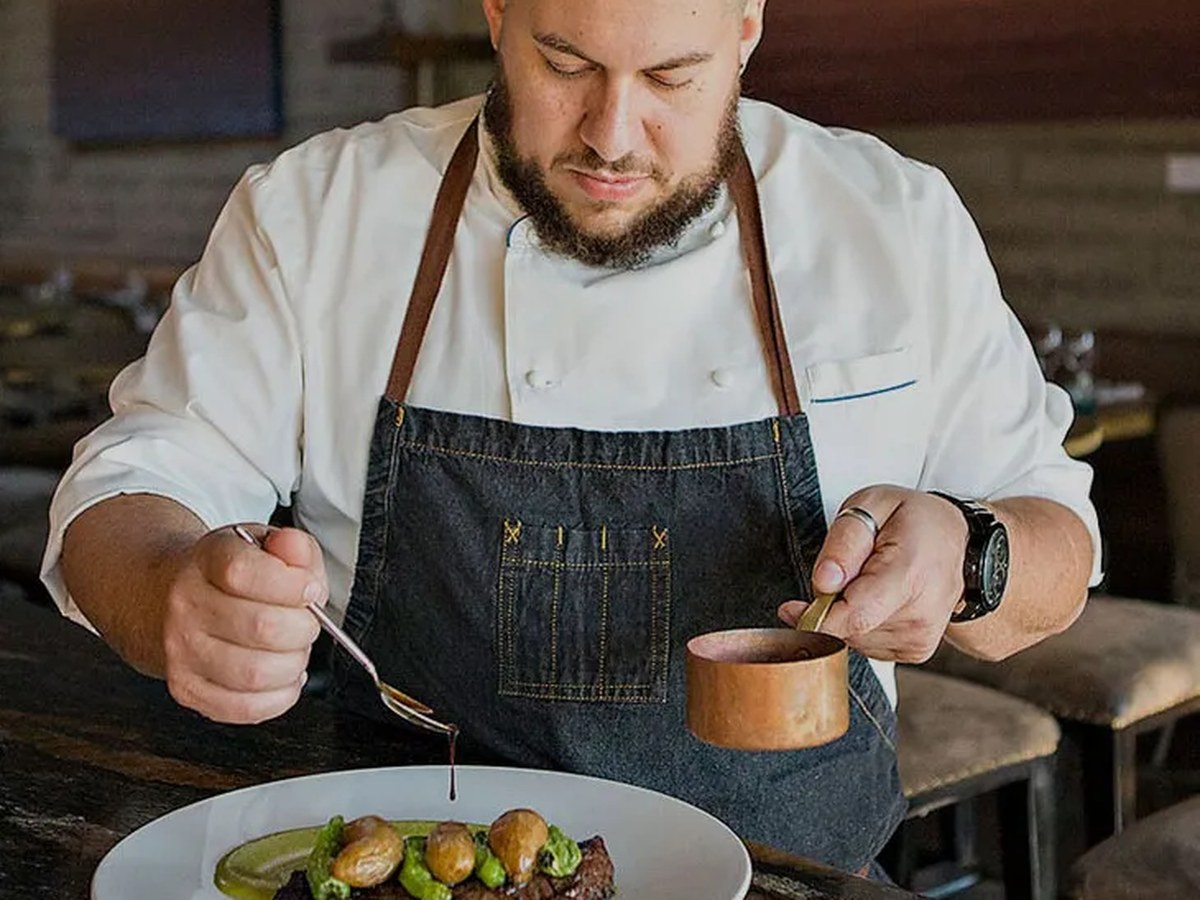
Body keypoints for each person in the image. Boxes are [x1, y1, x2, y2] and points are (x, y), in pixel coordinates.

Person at [42, 0, 1100, 879]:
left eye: (673, 78)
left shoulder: (891, 221)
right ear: (497, 15)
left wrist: (972, 556)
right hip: (424, 871)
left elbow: (1058, 543)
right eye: (565, 64)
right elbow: (130, 493)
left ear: (746, 28)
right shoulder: (320, 216)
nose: (610, 134)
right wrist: (174, 592)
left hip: (792, 882)